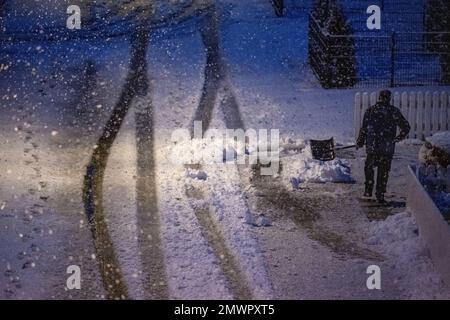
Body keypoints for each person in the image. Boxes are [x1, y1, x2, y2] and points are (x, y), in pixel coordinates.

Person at [356, 90, 411, 203]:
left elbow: (364, 128)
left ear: (379, 97)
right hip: (386, 147)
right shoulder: (393, 111)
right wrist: (397, 138)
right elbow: (406, 127)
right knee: (384, 170)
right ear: (389, 98)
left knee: (369, 168)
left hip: (372, 146)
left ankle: (368, 189)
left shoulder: (370, 111)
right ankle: (380, 193)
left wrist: (361, 140)